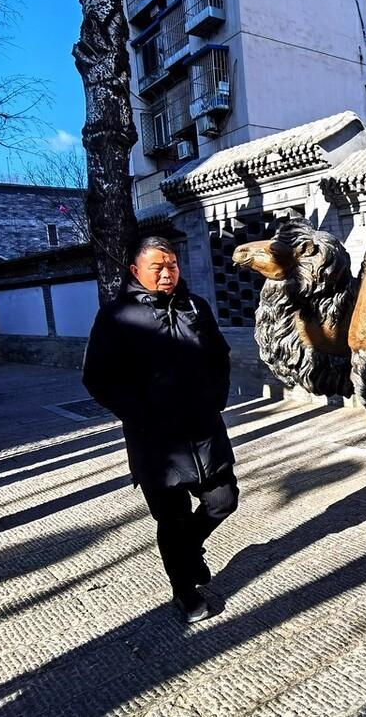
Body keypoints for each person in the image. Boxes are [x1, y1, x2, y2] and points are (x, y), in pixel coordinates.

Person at [83, 236, 237, 623]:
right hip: (156, 441)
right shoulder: (116, 316)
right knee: (172, 519)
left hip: (205, 430)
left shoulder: (195, 307)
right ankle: (184, 592)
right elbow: (97, 378)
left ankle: (189, 552)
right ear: (136, 271)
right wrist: (142, 416)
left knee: (224, 501)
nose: (168, 272)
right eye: (158, 267)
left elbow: (220, 355)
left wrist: (216, 398)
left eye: (172, 265)